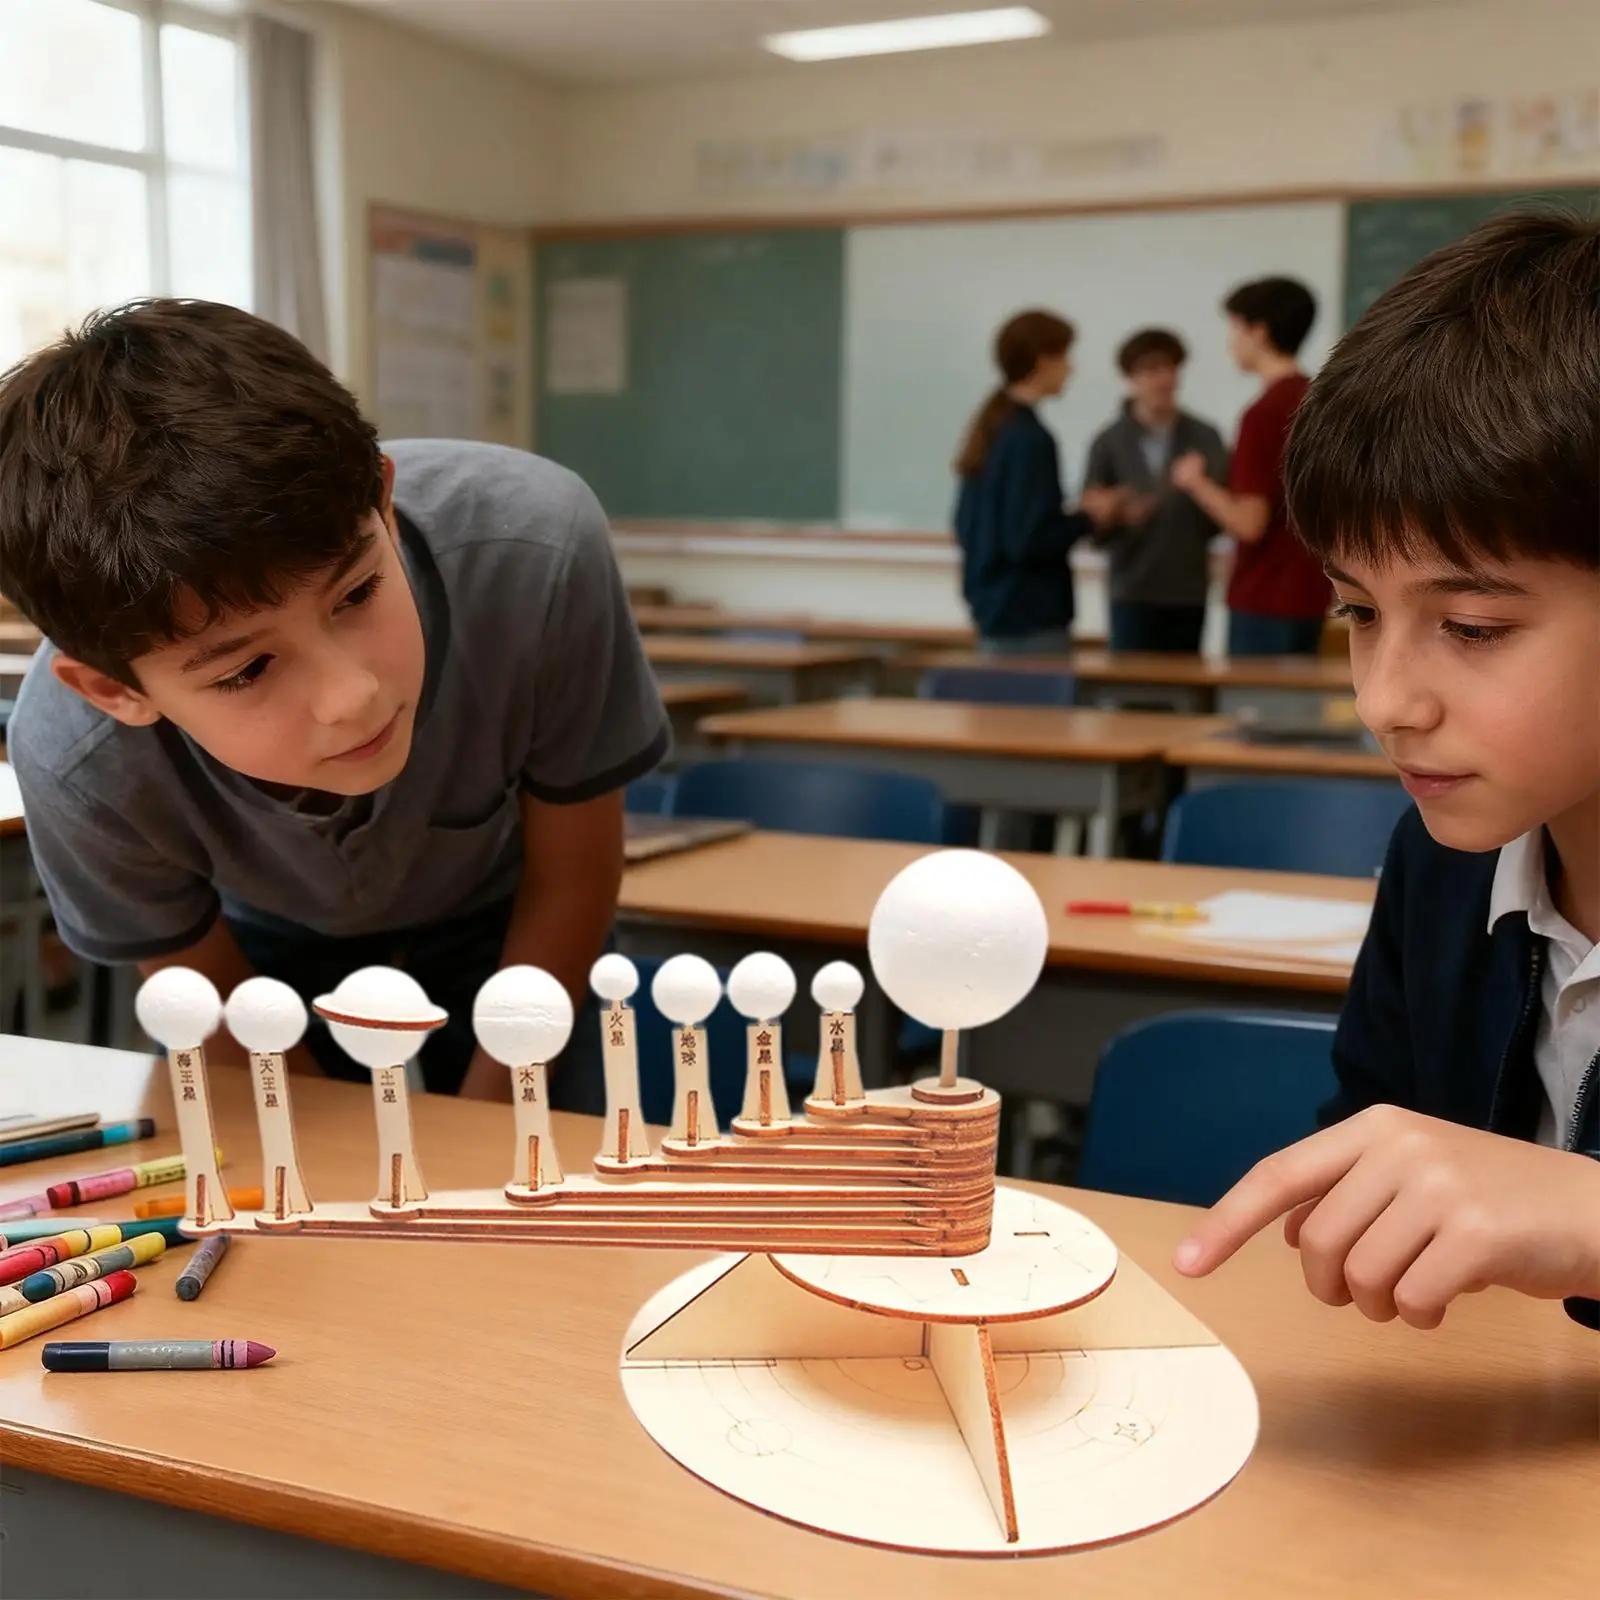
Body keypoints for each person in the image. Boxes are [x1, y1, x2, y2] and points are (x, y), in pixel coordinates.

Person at [0, 301, 669, 1110]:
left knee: (551, 1181)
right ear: (119, 692)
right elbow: (201, 981)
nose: (353, 698)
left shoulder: (537, 551)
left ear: (383, 505)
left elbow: (572, 876)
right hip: (254, 956)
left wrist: (489, 1119)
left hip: (518, 923)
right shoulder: (73, 752)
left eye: (357, 593)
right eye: (246, 672)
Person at [1173, 211, 1600, 1332]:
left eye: (1468, 625)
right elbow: (1374, 1155)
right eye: (1357, 612)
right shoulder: (1443, 858)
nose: (1382, 701)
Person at [1170, 276, 1330, 656]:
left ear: (1259, 332)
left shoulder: (1264, 413)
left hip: (1265, 599)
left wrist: (1196, 483)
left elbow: (1249, 522)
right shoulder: (1320, 401)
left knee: (1254, 711)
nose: (1231, 341)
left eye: (1235, 328)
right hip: (1310, 593)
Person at [953, 310, 1121, 655]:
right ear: (1042, 360)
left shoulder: (994, 426)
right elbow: (1029, 539)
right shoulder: (1031, 438)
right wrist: (1090, 517)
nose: (1071, 368)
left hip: (994, 608)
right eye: (1064, 357)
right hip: (1029, 615)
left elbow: (968, 523)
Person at [1082, 328, 1229, 654]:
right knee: (1130, 691)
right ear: (1130, 378)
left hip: (1187, 589)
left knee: (1187, 691)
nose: (1164, 379)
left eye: (1171, 368)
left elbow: (1223, 516)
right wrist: (1115, 513)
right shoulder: (1109, 442)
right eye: (1151, 369)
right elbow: (1091, 521)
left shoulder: (1205, 437)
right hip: (1131, 589)